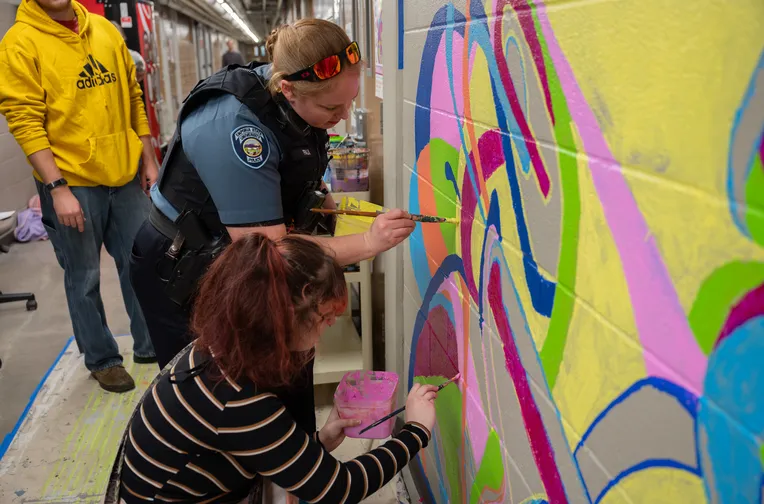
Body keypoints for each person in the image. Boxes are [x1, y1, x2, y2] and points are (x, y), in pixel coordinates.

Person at [130, 19, 415, 387]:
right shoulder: (234, 128)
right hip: (183, 265)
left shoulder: (296, 95)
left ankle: (291, 442)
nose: (344, 115)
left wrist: (344, 212)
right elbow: (273, 248)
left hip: (238, 252)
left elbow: (300, 175)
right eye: (333, 107)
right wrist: (367, 243)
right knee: (214, 392)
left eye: (350, 103)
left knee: (277, 374)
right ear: (288, 89)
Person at [111, 234, 438, 503]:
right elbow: (338, 488)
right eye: (325, 317)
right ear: (284, 319)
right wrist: (415, 432)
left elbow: (257, 449)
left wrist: (320, 440)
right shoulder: (239, 401)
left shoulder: (217, 349)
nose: (328, 328)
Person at [0, 0, 159, 392]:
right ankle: (102, 358)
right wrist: (56, 187)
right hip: (71, 182)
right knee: (84, 274)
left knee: (141, 263)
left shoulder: (105, 31)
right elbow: (24, 120)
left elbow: (133, 97)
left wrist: (148, 156)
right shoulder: (20, 42)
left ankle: (150, 344)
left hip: (123, 173)